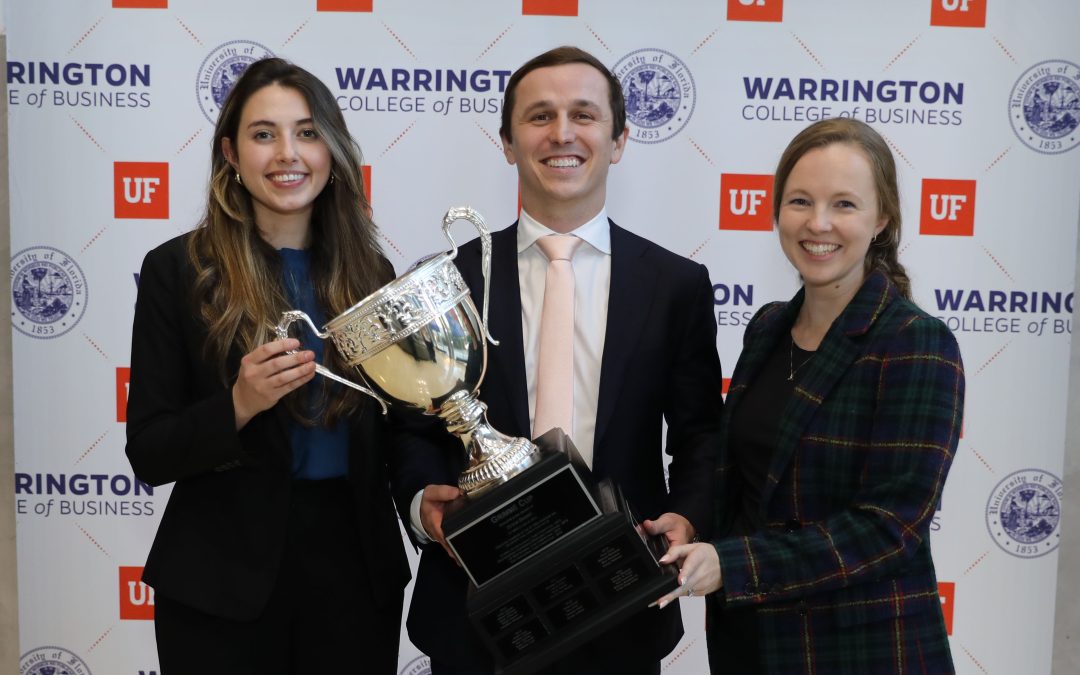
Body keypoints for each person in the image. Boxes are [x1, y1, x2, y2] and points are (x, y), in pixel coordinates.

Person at [390, 46, 724, 675]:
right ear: (509, 143)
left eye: (584, 115)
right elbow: (414, 427)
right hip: (474, 605)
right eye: (539, 116)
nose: (562, 134)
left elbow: (701, 434)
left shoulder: (676, 284)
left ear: (619, 139)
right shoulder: (448, 280)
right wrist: (420, 503)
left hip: (621, 596)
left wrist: (690, 516)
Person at [125, 58, 409, 675]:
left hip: (355, 572)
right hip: (219, 580)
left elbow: (399, 430)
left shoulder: (375, 277)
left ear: (333, 149)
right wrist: (239, 405)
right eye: (263, 134)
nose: (288, 153)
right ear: (230, 151)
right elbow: (149, 450)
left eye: (307, 132)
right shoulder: (178, 271)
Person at [654, 118, 965, 673]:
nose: (818, 223)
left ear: (882, 219)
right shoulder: (768, 328)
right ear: (777, 211)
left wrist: (732, 563)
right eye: (800, 201)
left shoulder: (917, 343)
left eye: (844, 204)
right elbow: (746, 484)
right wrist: (694, 526)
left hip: (860, 654)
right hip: (749, 645)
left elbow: (887, 528)